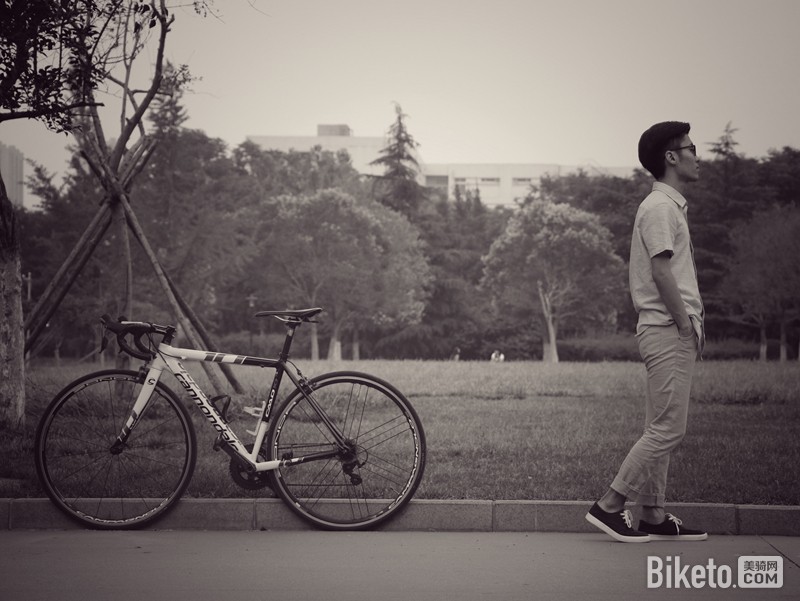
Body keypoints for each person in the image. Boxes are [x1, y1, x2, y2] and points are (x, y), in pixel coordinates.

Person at [585, 121, 708, 543]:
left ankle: (653, 512)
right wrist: (684, 324)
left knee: (660, 425)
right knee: (669, 429)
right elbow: (661, 271)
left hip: (667, 328)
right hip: (667, 329)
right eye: (691, 148)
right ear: (671, 157)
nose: (697, 156)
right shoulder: (659, 208)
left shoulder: (669, 207)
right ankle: (609, 505)